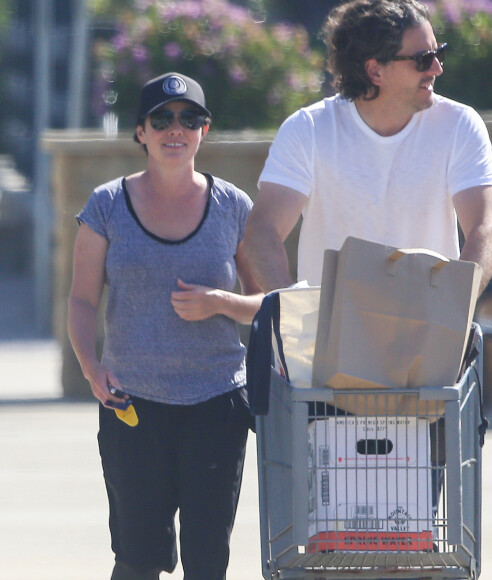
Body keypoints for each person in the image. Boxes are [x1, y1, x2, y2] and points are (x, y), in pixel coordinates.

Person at [67, 72, 263, 580]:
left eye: (189, 119)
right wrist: (91, 367)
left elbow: (271, 304)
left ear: (204, 129)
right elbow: (82, 299)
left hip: (216, 407)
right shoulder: (106, 206)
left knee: (207, 563)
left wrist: (220, 302)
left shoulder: (233, 207)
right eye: (162, 119)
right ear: (141, 132)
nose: (175, 129)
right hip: (132, 406)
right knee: (137, 560)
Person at [241, 0, 492, 296]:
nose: (437, 68)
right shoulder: (308, 130)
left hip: (427, 332)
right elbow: (262, 232)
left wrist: (453, 309)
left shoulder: (459, 125)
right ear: (375, 71)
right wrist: (292, 314)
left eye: (438, 52)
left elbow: (487, 228)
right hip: (331, 338)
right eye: (423, 59)